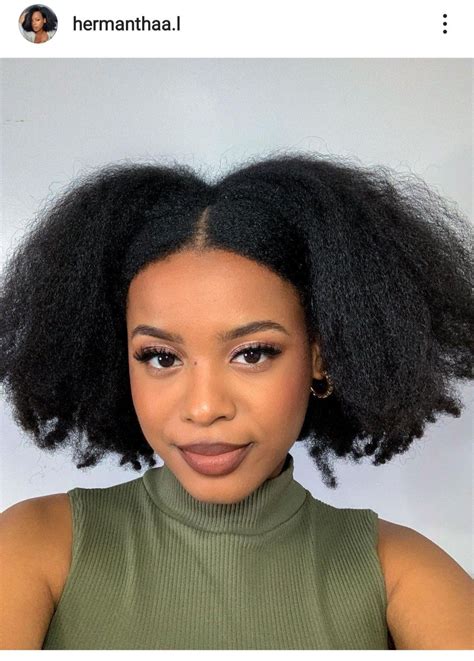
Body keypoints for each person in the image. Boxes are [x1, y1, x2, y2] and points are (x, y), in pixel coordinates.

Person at [0, 154, 472, 650]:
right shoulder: (36, 547)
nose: (204, 408)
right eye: (161, 357)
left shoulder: (402, 574)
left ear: (321, 356)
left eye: (251, 353)